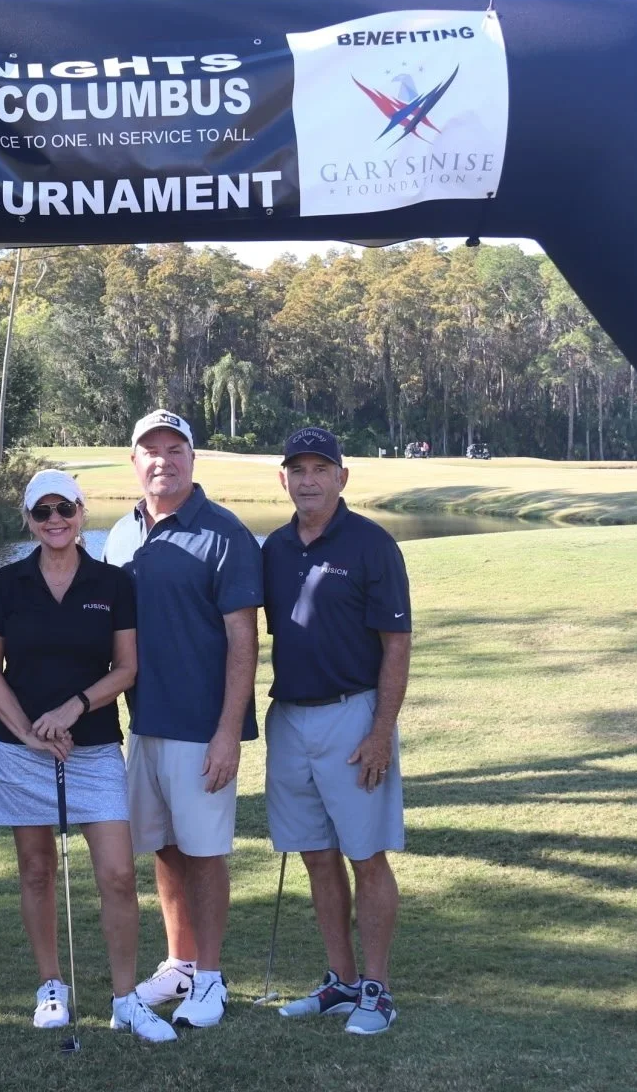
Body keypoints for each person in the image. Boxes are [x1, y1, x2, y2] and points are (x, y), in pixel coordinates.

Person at [0, 470, 178, 1044]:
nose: (55, 520)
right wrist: (30, 733)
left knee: (115, 873)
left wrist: (71, 709)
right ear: (29, 521)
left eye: (65, 509)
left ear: (83, 512)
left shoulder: (112, 584)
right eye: (43, 512)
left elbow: (127, 668)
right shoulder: (7, 584)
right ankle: (51, 988)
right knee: (36, 871)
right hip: (21, 752)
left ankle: (124, 999)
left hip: (92, 748)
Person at [101, 410, 262, 1029]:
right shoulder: (120, 535)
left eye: (175, 448)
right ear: (134, 461)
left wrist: (229, 731)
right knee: (165, 849)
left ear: (193, 459)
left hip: (202, 728)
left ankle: (212, 978)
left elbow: (242, 641)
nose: (162, 459)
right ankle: (180, 963)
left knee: (205, 852)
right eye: (151, 450)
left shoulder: (223, 533)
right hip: (144, 724)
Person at [261, 427, 412, 1036]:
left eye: (321, 468)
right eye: (298, 469)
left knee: (365, 856)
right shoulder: (272, 548)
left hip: (355, 715)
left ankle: (376, 990)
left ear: (342, 477)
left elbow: (396, 646)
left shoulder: (373, 545)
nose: (309, 480)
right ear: (285, 480)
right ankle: (341, 980)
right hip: (289, 718)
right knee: (317, 856)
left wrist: (381, 731)